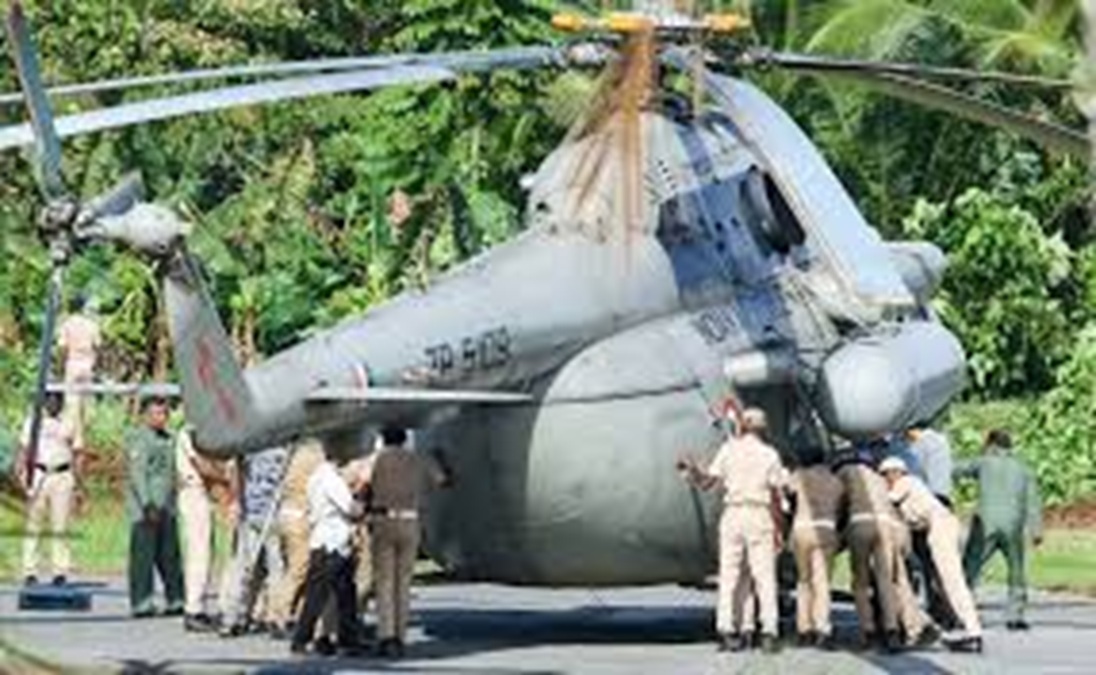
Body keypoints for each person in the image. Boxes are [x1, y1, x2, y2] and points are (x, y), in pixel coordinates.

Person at [679, 405, 787, 654]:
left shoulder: (728, 450)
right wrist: (778, 528)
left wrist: (692, 470)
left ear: (743, 426)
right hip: (758, 514)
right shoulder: (769, 454)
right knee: (764, 577)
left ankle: (726, 630)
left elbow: (707, 483)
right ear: (763, 429)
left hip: (733, 514)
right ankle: (769, 632)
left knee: (728, 576)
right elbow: (776, 493)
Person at [880, 456, 983, 653]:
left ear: (893, 473)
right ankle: (965, 627)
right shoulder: (913, 485)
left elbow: (887, 500)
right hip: (942, 525)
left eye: (885, 476)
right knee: (945, 582)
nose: (885, 480)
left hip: (940, 527)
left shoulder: (905, 482)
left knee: (952, 581)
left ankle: (973, 632)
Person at [364, 427, 451, 659]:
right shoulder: (419, 459)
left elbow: (364, 486)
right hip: (410, 522)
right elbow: (443, 480)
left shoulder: (378, 460)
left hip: (384, 521)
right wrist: (440, 459)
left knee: (385, 582)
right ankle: (400, 638)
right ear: (404, 440)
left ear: (384, 439)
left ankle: (386, 636)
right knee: (403, 583)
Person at [957, 429, 1043, 631]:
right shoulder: (1024, 469)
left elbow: (957, 469)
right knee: (1016, 568)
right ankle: (1015, 616)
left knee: (971, 566)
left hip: (986, 523)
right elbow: (1032, 502)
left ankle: (962, 611)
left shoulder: (983, 462)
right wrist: (1036, 529)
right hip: (1013, 525)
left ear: (991, 444)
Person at [290, 450, 367, 656]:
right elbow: (351, 509)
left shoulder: (316, 477)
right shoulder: (332, 480)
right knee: (325, 594)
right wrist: (362, 498)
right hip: (334, 541)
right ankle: (303, 639)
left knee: (341, 592)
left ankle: (344, 638)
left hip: (322, 538)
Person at [833, 448, 905, 653]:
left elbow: (837, 504)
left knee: (860, 581)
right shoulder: (878, 478)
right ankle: (892, 630)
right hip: (885, 525)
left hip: (860, 522)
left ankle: (868, 631)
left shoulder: (846, 472)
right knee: (885, 579)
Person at [219, 446, 289, 636]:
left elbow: (237, 474)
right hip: (269, 514)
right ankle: (275, 618)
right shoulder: (284, 450)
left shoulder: (250, 445)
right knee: (274, 568)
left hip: (253, 511)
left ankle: (233, 616)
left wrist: (238, 501)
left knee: (244, 566)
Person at [125, 396, 184, 617]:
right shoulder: (140, 439)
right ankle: (142, 602)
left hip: (167, 506)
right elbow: (137, 475)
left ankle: (176, 599)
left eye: (163, 413)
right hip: (146, 509)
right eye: (155, 414)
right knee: (143, 558)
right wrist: (147, 504)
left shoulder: (169, 438)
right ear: (145, 416)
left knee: (170, 556)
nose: (160, 418)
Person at [787, 448, 843, 649]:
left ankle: (804, 629)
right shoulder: (836, 481)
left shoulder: (799, 475)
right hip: (826, 529)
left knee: (804, 581)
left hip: (802, 527)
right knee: (822, 582)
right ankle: (823, 629)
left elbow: (787, 491)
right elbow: (839, 506)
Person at [270, 440, 326, 639]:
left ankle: (290, 613)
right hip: (300, 517)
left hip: (287, 515)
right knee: (299, 569)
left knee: (293, 567)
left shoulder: (295, 455)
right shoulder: (315, 457)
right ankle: (278, 615)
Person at [19, 393, 77, 587]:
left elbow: (77, 451)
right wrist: (22, 474)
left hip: (62, 474)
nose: (53, 403)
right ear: (44, 401)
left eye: (57, 399)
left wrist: (79, 484)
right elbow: (24, 449)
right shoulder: (33, 421)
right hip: (39, 473)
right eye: (49, 399)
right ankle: (30, 571)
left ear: (62, 401)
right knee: (33, 524)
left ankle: (60, 571)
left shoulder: (69, 422)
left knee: (60, 525)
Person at [57, 297, 101, 453]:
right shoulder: (91, 324)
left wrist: (61, 366)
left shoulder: (66, 324)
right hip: (87, 364)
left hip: (73, 363)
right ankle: (81, 437)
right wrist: (95, 365)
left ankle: (73, 438)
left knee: (72, 401)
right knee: (85, 401)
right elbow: (98, 346)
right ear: (82, 307)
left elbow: (62, 348)